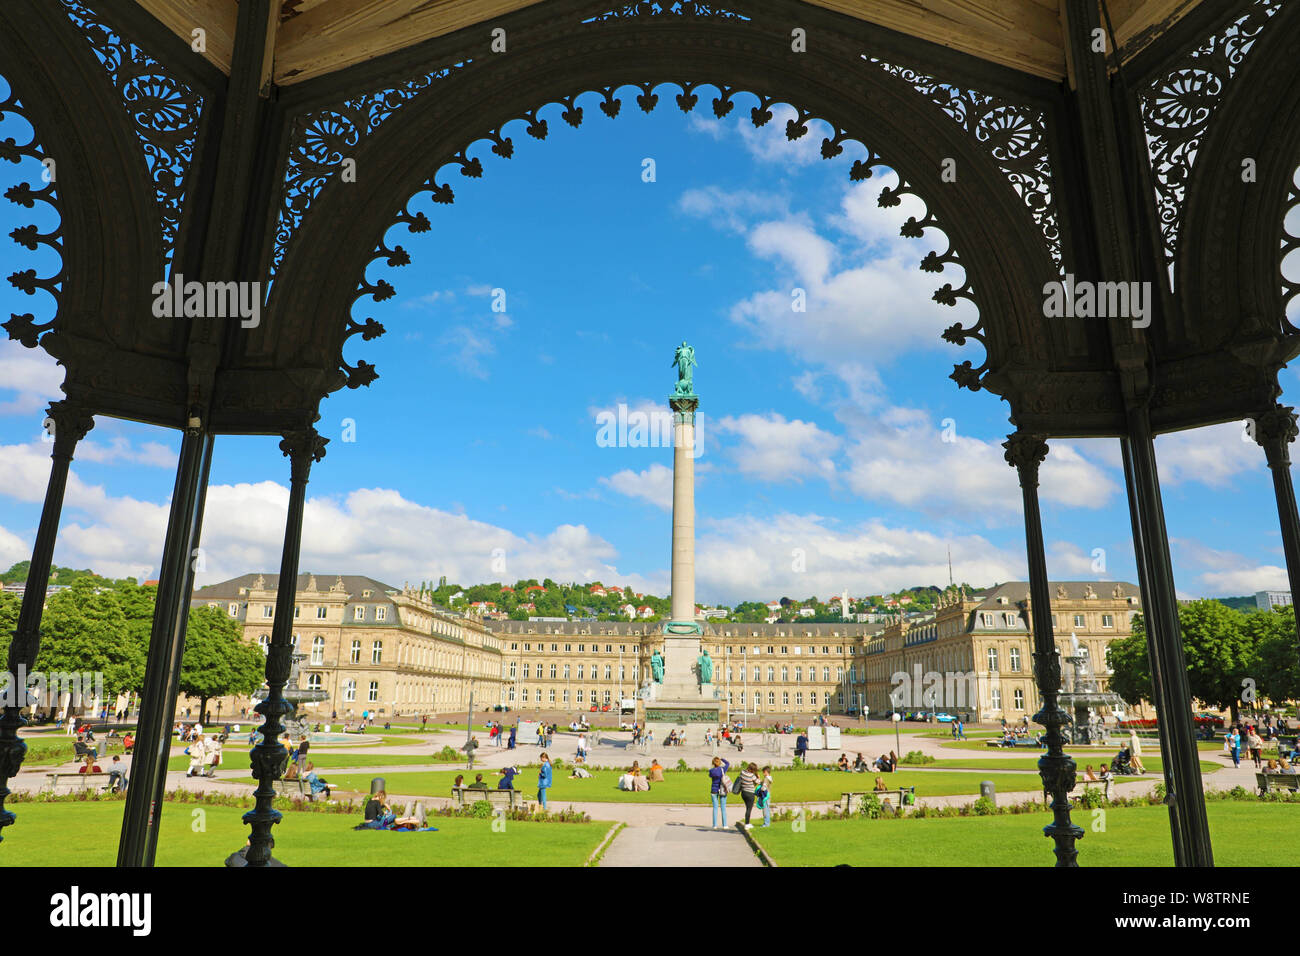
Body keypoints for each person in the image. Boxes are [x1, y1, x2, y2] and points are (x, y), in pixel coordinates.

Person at [708, 756, 730, 830]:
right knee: (723, 808)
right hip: (722, 789)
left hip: (714, 789)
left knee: (715, 808)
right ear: (719, 762)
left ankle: (714, 825)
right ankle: (725, 825)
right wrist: (722, 759)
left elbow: (710, 776)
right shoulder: (722, 769)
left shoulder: (711, 771)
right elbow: (728, 763)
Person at [738, 762, 759, 829]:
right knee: (749, 809)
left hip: (743, 793)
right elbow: (758, 782)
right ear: (752, 769)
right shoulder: (752, 775)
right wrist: (758, 777)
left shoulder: (742, 772)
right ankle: (747, 824)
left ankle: (747, 822)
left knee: (747, 808)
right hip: (750, 793)